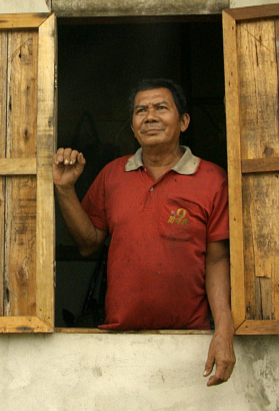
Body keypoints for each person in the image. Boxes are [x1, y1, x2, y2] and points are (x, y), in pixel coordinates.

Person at [53, 78, 235, 386]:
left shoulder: (212, 180)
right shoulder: (112, 174)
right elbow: (88, 244)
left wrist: (224, 331)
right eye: (141, 111)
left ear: (184, 121)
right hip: (117, 342)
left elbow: (217, 261)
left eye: (161, 108)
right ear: (133, 125)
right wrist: (65, 189)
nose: (150, 116)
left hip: (191, 341)